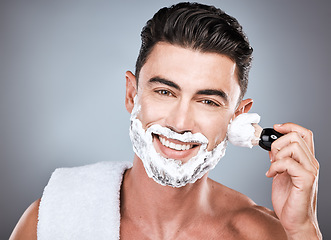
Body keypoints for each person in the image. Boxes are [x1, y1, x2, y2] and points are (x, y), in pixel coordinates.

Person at [10, 2, 321, 239]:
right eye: (164, 92)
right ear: (132, 95)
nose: (180, 122)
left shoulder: (264, 234)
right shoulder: (50, 220)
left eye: (208, 101)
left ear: (237, 117)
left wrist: (304, 228)